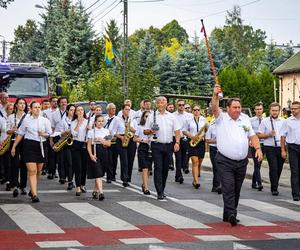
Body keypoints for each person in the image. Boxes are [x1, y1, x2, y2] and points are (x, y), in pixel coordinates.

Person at [211, 85, 263, 226]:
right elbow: (214, 107)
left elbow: (252, 135)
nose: (238, 110)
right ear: (228, 108)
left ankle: (228, 214)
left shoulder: (245, 119)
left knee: (236, 189)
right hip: (224, 161)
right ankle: (232, 214)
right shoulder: (221, 118)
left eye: (239, 107)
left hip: (241, 162)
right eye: (235, 107)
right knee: (228, 187)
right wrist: (215, 95)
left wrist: (258, 148)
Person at [11, 101, 52, 203]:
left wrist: (44, 134)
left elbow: (50, 133)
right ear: (31, 109)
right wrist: (14, 147)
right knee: (32, 171)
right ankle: (34, 194)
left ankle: (32, 189)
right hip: (29, 146)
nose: (37, 109)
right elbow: (20, 133)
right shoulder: (26, 120)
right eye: (35, 107)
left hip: (41, 145)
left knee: (38, 171)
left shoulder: (45, 120)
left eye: (39, 107)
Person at [144, 96, 180, 200]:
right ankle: (159, 191)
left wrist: (177, 142)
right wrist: (151, 131)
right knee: (158, 168)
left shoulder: (172, 116)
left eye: (163, 101)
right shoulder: (151, 116)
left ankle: (162, 189)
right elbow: (145, 131)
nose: (161, 103)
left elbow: (177, 130)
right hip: (156, 145)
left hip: (168, 145)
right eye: (159, 101)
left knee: (165, 169)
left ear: (166, 104)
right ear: (156, 104)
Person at [258, 102, 284, 196]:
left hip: (281, 147)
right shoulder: (265, 121)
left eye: (276, 110)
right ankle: (274, 188)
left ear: (279, 111)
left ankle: (275, 183)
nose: (274, 112)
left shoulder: (283, 121)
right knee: (273, 168)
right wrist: (268, 134)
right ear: (270, 111)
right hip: (269, 147)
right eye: (273, 110)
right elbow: (259, 134)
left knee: (279, 168)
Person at [87, 115, 111, 201]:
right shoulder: (91, 132)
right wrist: (91, 155)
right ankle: (101, 192)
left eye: (102, 121)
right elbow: (89, 145)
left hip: (104, 152)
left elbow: (109, 144)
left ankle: (95, 190)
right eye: (99, 121)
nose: (100, 123)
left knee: (100, 173)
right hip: (95, 152)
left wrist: (102, 140)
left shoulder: (107, 131)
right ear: (95, 122)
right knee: (98, 172)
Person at [7, 98, 28, 197]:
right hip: (13, 141)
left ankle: (23, 186)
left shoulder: (28, 117)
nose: (22, 105)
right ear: (16, 105)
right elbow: (7, 131)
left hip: (25, 142)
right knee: (14, 164)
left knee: (24, 164)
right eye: (20, 103)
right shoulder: (11, 117)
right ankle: (15, 185)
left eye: (24, 103)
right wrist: (12, 130)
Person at [104, 103, 129, 186]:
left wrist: (122, 135)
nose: (114, 110)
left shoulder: (118, 119)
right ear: (108, 110)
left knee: (124, 160)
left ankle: (125, 179)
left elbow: (120, 130)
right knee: (109, 159)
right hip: (109, 139)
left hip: (119, 140)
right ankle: (109, 176)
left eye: (114, 108)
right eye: (112, 108)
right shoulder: (104, 119)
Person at [280, 101, 300, 201]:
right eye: (292, 108)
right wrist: (283, 150)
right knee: (295, 171)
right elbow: (283, 136)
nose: (293, 110)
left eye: (295, 108)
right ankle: (295, 194)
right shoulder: (287, 121)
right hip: (292, 148)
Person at [183, 105, 206, 189]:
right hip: (192, 141)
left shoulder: (204, 119)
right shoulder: (188, 120)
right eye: (194, 110)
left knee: (199, 161)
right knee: (194, 161)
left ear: (200, 111)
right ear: (192, 111)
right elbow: (184, 130)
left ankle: (197, 173)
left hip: (201, 142)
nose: (196, 111)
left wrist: (204, 135)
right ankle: (196, 181)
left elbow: (207, 130)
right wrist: (191, 136)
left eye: (198, 110)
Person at [173, 99, 192, 184]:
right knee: (178, 157)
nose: (181, 106)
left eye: (183, 105)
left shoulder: (189, 115)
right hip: (176, 138)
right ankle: (179, 175)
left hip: (186, 138)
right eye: (179, 105)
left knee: (186, 156)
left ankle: (180, 171)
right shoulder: (172, 115)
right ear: (177, 106)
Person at [50, 96, 68, 184]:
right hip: (58, 137)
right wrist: (51, 139)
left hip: (68, 137)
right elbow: (52, 128)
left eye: (65, 102)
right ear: (59, 103)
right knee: (60, 158)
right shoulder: (54, 114)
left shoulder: (70, 112)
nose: (64, 103)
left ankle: (69, 176)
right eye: (62, 102)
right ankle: (62, 177)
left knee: (67, 158)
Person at [70, 105, 88, 196]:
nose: (80, 112)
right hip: (76, 144)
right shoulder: (73, 122)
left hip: (85, 144)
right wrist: (79, 123)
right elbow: (74, 134)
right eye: (78, 110)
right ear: (76, 112)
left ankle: (82, 184)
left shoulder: (87, 122)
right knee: (78, 166)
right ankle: (77, 186)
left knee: (84, 167)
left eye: (82, 110)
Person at [134, 111, 152, 195]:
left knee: (148, 169)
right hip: (143, 147)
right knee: (144, 168)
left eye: (149, 116)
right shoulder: (140, 127)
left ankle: (144, 184)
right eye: (146, 116)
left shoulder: (153, 127)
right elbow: (135, 138)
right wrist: (142, 140)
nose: (147, 118)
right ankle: (146, 187)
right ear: (143, 117)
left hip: (151, 148)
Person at [58, 103, 75, 190]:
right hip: (67, 143)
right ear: (67, 111)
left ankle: (72, 180)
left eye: (74, 110)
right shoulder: (63, 121)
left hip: (76, 143)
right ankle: (70, 181)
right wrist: (67, 131)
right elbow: (60, 134)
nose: (73, 111)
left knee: (74, 164)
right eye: (71, 110)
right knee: (69, 163)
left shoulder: (76, 121)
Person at [249, 102, 264, 191]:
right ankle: (259, 183)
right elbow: (248, 132)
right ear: (255, 110)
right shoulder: (251, 120)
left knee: (259, 164)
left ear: (262, 110)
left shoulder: (266, 120)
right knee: (257, 163)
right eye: (257, 109)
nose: (259, 111)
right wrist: (249, 141)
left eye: (260, 109)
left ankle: (254, 182)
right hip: (254, 144)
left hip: (263, 144)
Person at [120, 104, 137, 182]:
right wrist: (120, 137)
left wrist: (129, 127)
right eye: (126, 109)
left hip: (131, 139)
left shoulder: (132, 119)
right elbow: (113, 131)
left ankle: (128, 177)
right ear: (122, 110)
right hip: (122, 139)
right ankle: (124, 178)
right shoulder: (118, 119)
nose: (128, 111)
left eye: (129, 109)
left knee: (130, 160)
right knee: (124, 160)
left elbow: (137, 131)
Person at [205, 120, 222, 194]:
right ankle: (216, 185)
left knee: (221, 168)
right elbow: (207, 140)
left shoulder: (226, 125)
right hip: (214, 148)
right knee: (216, 167)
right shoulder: (212, 125)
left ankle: (218, 186)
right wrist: (218, 141)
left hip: (223, 148)